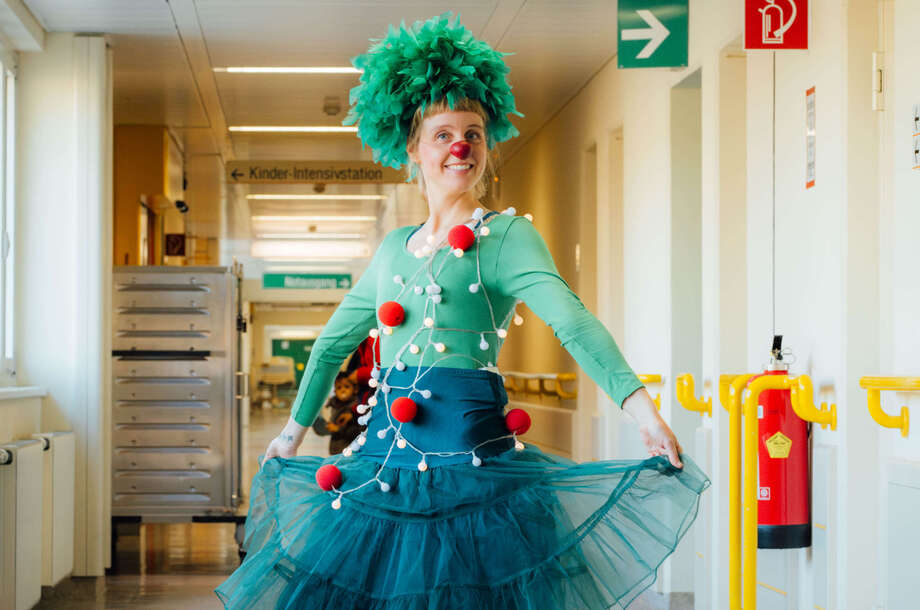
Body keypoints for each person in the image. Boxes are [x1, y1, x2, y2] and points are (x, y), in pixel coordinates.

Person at [216, 13, 708, 609]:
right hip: (383, 472)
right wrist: (291, 434)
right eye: (444, 134)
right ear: (412, 148)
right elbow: (330, 345)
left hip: (477, 475)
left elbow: (573, 322)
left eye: (474, 134)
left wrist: (643, 413)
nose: (461, 147)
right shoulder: (395, 248)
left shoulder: (505, 237)